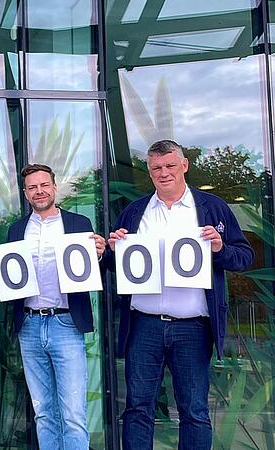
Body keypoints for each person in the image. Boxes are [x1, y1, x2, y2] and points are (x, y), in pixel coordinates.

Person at [107, 139, 254, 450]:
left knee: (195, 411)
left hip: (193, 327)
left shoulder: (212, 208)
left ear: (185, 165)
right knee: (137, 409)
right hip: (144, 325)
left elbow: (243, 257)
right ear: (149, 172)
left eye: (170, 165)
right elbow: (112, 265)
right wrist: (111, 249)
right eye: (156, 168)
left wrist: (219, 248)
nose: (164, 173)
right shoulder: (135, 212)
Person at [0, 164, 104, 450]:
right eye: (33, 187)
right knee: (43, 411)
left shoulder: (78, 225)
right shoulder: (17, 229)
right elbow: (13, 277)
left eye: (44, 185)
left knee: (73, 413)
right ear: (26, 193)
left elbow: (91, 269)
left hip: (66, 324)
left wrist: (98, 255)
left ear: (54, 186)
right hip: (30, 325)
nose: (39, 191)